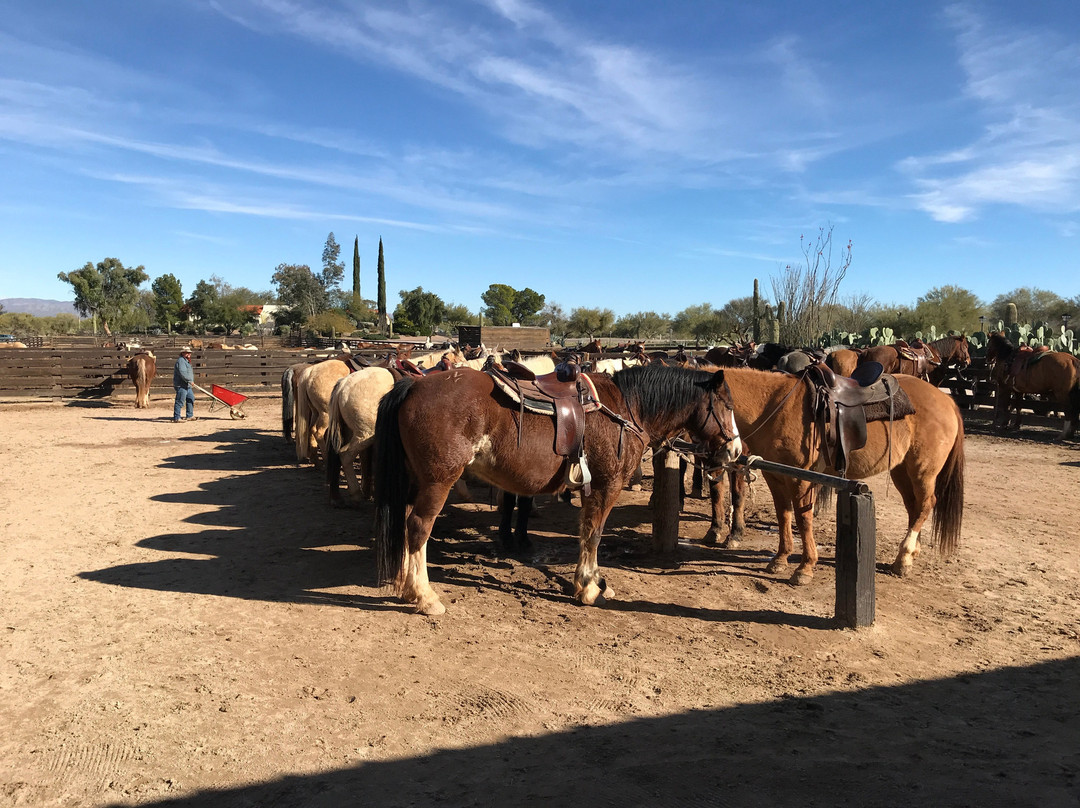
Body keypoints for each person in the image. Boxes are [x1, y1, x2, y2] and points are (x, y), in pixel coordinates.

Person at [172, 347, 197, 422]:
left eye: (189, 353)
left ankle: (189, 415)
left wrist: (190, 381)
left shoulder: (186, 361)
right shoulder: (181, 361)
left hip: (187, 385)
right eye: (187, 352)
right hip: (181, 385)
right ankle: (177, 417)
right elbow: (183, 373)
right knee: (180, 400)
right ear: (182, 353)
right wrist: (189, 380)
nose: (189, 354)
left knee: (191, 398)